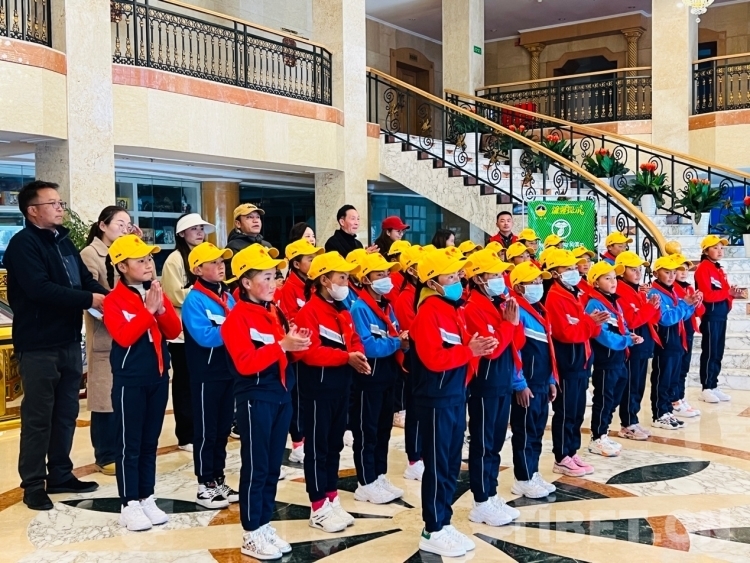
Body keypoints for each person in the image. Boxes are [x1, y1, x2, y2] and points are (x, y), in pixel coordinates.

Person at [6, 181, 107, 510]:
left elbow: (84, 280)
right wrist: (89, 299)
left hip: (68, 340)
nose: (60, 208)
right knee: (38, 417)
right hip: (38, 344)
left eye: (60, 202)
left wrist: (105, 297)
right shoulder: (23, 245)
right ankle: (34, 483)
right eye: (53, 203)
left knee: (66, 413)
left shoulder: (63, 241)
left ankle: (61, 473)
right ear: (32, 211)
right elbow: (40, 289)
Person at [221, 244, 311, 559]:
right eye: (267, 277)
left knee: (273, 466)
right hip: (255, 398)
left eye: (275, 276)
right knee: (257, 466)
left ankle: (264, 523)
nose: (274, 283)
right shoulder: (237, 318)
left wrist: (296, 344)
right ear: (246, 282)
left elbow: (284, 353)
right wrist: (282, 345)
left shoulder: (274, 311)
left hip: (281, 395)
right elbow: (246, 363)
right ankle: (251, 531)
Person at [411, 248, 498, 557]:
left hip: (454, 395)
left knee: (450, 463)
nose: (457, 281)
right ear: (432, 282)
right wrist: (469, 351)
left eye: (456, 275)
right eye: (449, 277)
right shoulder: (428, 312)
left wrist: (475, 349)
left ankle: (444, 521)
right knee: (437, 464)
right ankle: (432, 528)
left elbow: (460, 350)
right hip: (435, 398)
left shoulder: (452, 309)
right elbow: (434, 359)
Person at [104, 235, 182, 531]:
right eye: (141, 261)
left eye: (149, 259)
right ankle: (129, 503)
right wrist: (147, 311)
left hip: (158, 377)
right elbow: (124, 336)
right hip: (130, 380)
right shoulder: (114, 300)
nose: (149, 265)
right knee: (129, 443)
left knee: (150, 442)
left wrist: (160, 309)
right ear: (122, 266)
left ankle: (146, 496)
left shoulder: (154, 292)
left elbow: (173, 331)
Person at [291, 251, 368, 533]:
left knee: (334, 445)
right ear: (324, 280)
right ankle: (318, 504)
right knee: (317, 447)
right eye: (342, 277)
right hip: (317, 391)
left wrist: (357, 354)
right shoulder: (309, 312)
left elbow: (354, 339)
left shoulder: (343, 310)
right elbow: (309, 353)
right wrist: (346, 357)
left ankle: (331, 496)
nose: (346, 283)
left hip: (341, 388)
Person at [462, 249, 524, 526]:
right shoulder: (472, 308)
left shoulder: (499, 304)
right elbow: (492, 349)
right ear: (478, 279)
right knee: (483, 443)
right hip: (485, 384)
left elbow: (515, 343)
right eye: (494, 274)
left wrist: (512, 324)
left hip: (502, 381)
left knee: (496, 443)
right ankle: (481, 500)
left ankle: (491, 492)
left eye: (501, 273)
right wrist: (507, 325)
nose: (500, 279)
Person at [181, 242, 238, 509]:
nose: (220, 266)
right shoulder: (195, 300)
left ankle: (218, 478)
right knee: (206, 430)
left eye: (221, 261)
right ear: (197, 269)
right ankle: (204, 484)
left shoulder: (227, 296)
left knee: (223, 429)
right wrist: (237, 328)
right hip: (206, 373)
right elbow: (205, 336)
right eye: (213, 262)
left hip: (228, 371)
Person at [80, 206, 136, 476]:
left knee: (123, 395)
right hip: (105, 332)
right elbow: (90, 294)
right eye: (120, 224)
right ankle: (104, 455)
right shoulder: (91, 254)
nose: (125, 229)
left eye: (128, 225)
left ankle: (122, 449)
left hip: (128, 332)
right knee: (104, 397)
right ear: (103, 225)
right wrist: (117, 306)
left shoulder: (125, 252)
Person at [349, 253, 408, 504]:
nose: (386, 278)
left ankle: (379, 475)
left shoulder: (386, 305)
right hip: (368, 377)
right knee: (367, 430)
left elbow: (393, 333)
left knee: (384, 429)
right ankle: (365, 481)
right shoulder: (360, 308)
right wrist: (396, 342)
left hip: (387, 375)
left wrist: (400, 340)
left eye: (387, 274)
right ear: (366, 279)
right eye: (379, 274)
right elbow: (368, 346)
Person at [545, 249, 608, 476]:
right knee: (565, 411)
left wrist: (593, 323)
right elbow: (566, 333)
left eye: (574, 268)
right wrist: (590, 323)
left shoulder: (576, 293)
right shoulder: (555, 297)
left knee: (578, 411)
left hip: (581, 362)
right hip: (568, 363)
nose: (574, 272)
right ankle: (561, 456)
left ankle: (572, 451)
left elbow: (584, 328)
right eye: (568, 269)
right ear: (555, 273)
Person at [162, 213, 215, 453]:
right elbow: (173, 294)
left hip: (205, 329)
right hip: (182, 333)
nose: (199, 232)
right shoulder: (174, 259)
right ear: (182, 233)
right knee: (184, 384)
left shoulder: (207, 256)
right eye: (194, 229)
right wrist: (201, 293)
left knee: (203, 382)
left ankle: (202, 429)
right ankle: (185, 435)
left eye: (201, 228)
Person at [508, 262, 558, 499]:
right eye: (533, 282)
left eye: (540, 281)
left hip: (541, 382)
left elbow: (548, 349)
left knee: (537, 431)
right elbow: (514, 350)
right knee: (525, 432)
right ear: (519, 287)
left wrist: (551, 379)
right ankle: (523, 477)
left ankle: (533, 471)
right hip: (526, 383)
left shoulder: (539, 309)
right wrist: (519, 384)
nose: (539, 285)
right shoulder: (517, 311)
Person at [584, 261, 640, 457]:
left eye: (614, 277)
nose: (613, 281)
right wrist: (626, 341)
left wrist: (630, 336)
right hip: (606, 360)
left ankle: (604, 432)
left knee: (614, 397)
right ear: (596, 283)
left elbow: (620, 326)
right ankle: (597, 437)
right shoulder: (594, 303)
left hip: (618, 358)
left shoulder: (613, 301)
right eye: (607, 278)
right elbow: (603, 335)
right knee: (604, 397)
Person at [278, 238, 324, 465]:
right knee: (297, 397)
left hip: (314, 347)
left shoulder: (314, 286)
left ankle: (307, 436)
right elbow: (290, 320)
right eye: (309, 259)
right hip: (297, 349)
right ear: (296, 264)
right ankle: (297, 442)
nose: (314, 262)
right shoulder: (289, 289)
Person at [648, 256, 701, 429]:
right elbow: (665, 319)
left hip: (676, 341)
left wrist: (691, 305)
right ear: (656, 273)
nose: (671, 276)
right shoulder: (655, 294)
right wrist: (684, 305)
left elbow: (682, 317)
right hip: (665, 344)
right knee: (662, 379)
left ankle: (668, 411)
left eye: (673, 272)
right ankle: (659, 413)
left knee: (672, 379)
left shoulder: (670, 292)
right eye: (667, 272)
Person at [615, 251, 661, 441]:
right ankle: (627, 423)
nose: (638, 273)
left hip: (643, 345)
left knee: (639, 385)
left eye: (639, 269)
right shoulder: (620, 291)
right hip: (633, 346)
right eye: (633, 269)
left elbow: (650, 318)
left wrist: (653, 306)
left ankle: (633, 419)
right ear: (621, 271)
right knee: (631, 385)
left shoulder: (637, 291)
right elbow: (632, 320)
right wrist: (650, 307)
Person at [695, 235, 742, 403]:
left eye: (721, 248)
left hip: (721, 315)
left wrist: (731, 295)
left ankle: (713, 385)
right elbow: (707, 295)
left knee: (718, 351)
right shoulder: (703, 268)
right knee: (710, 351)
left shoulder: (719, 269)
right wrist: (727, 293)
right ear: (706, 251)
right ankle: (706, 388)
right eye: (715, 248)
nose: (720, 251)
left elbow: (724, 291)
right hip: (711, 315)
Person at [393, 245, 425, 480]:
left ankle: (423, 453)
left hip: (427, 359)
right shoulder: (406, 297)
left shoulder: (423, 294)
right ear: (412, 270)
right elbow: (411, 331)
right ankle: (414, 459)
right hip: (414, 359)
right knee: (415, 409)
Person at [671, 253, 704, 417]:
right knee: (676, 368)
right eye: (679, 269)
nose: (684, 272)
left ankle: (681, 397)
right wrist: (689, 303)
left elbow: (700, 311)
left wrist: (698, 301)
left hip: (689, 330)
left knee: (684, 367)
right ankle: (674, 400)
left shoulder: (689, 288)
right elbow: (679, 314)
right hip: (678, 332)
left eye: (686, 269)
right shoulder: (673, 289)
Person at [384, 239, 411, 304]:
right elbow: (395, 305)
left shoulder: (408, 275)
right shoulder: (392, 280)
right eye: (404, 256)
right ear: (394, 260)